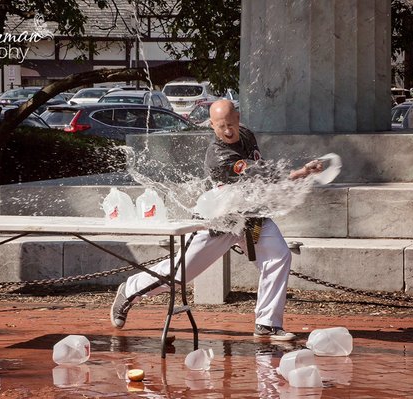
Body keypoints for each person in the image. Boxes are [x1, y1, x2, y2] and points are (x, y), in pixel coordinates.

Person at [110, 99, 322, 340]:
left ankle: (267, 323)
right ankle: (130, 290)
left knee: (277, 256)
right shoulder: (218, 156)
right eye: (221, 127)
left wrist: (302, 174)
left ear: (239, 119)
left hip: (251, 217)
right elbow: (260, 174)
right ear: (212, 125)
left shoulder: (247, 135)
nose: (228, 131)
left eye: (231, 124)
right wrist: (299, 172)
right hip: (219, 222)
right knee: (181, 274)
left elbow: (262, 179)